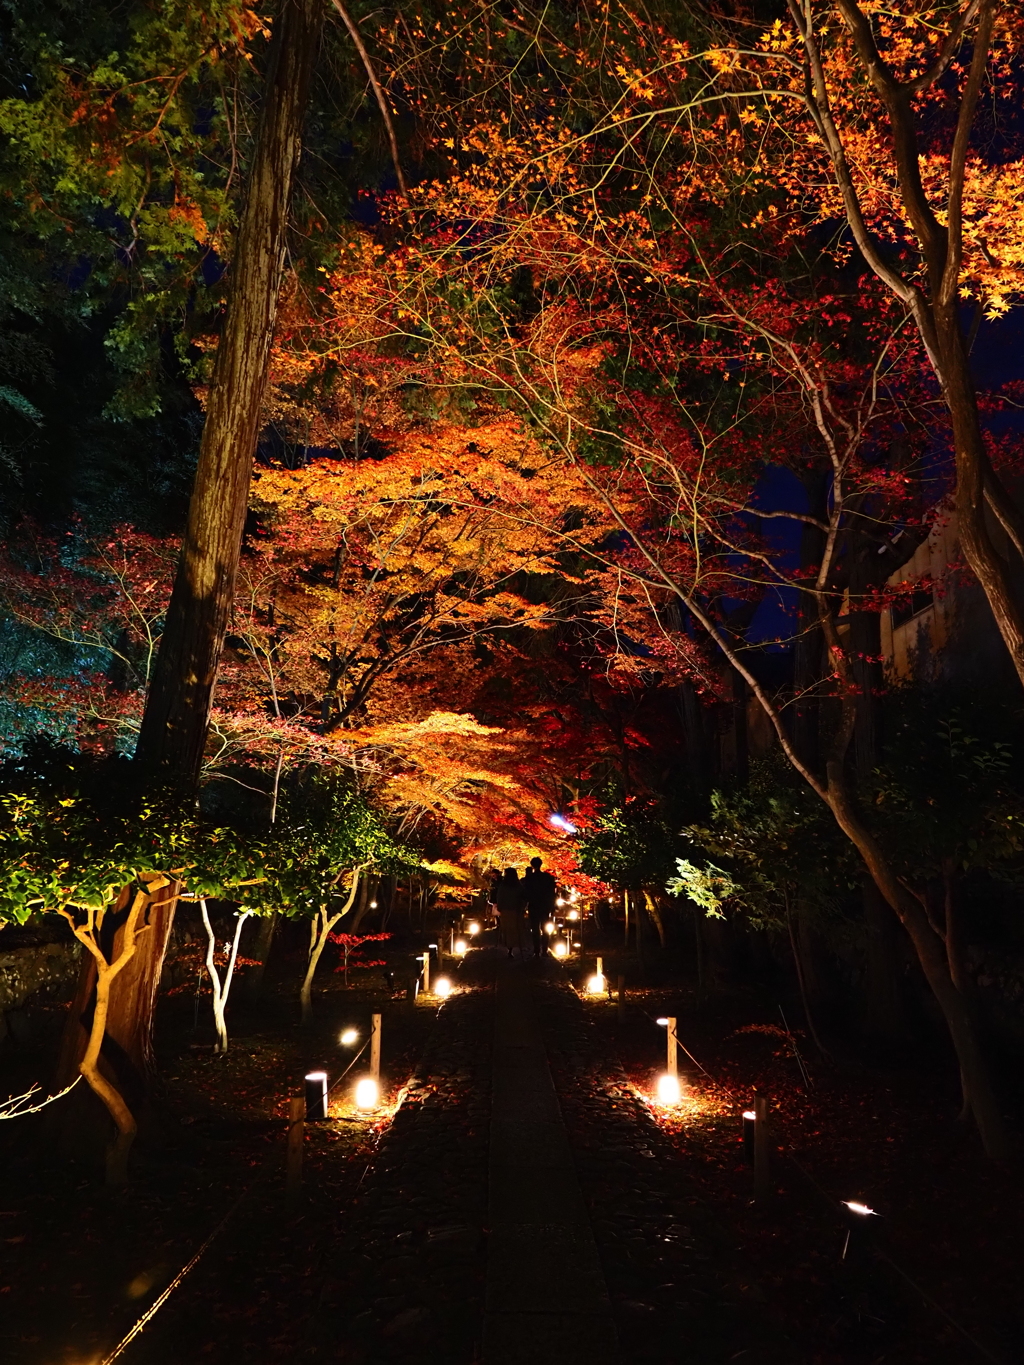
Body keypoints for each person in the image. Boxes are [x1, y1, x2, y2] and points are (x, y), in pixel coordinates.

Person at [522, 856, 557, 958]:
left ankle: (536, 951)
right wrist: (552, 906)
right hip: (545, 905)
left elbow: (525, 892)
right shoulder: (548, 878)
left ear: (532, 865)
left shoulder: (529, 878)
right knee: (545, 928)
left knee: (535, 929)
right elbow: (552, 893)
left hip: (533, 905)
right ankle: (544, 950)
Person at [491, 867, 525, 958]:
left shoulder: (503, 885)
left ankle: (509, 947)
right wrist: (522, 908)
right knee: (515, 928)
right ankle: (512, 946)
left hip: (506, 910)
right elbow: (523, 898)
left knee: (506, 929)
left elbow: (500, 897)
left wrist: (500, 907)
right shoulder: (518, 885)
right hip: (515, 910)